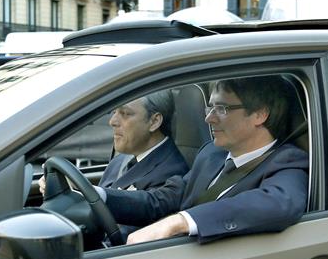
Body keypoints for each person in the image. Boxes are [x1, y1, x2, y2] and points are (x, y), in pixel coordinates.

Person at [100, 75, 309, 245]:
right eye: (210, 108)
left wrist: (180, 221)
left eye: (222, 109)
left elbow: (279, 203)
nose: (209, 118)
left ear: (259, 114)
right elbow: (161, 201)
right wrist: (98, 196)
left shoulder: (287, 161)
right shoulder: (211, 154)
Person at [100, 89, 189, 191]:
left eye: (125, 113)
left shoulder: (169, 175)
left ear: (154, 121)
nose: (112, 121)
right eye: (114, 112)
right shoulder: (120, 160)